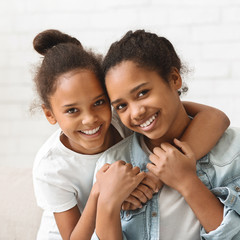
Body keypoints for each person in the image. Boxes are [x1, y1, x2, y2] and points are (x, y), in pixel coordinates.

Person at [31, 29, 229, 240]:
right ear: (50, 114)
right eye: (72, 110)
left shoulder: (125, 119)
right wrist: (102, 192)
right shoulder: (51, 167)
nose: (90, 119)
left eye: (99, 103)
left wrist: (156, 177)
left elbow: (215, 117)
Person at [93, 30, 240, 240]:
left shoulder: (233, 151)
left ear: (174, 79)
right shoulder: (112, 164)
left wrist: (187, 181)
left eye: (143, 93)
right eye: (122, 106)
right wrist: (108, 204)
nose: (136, 112)